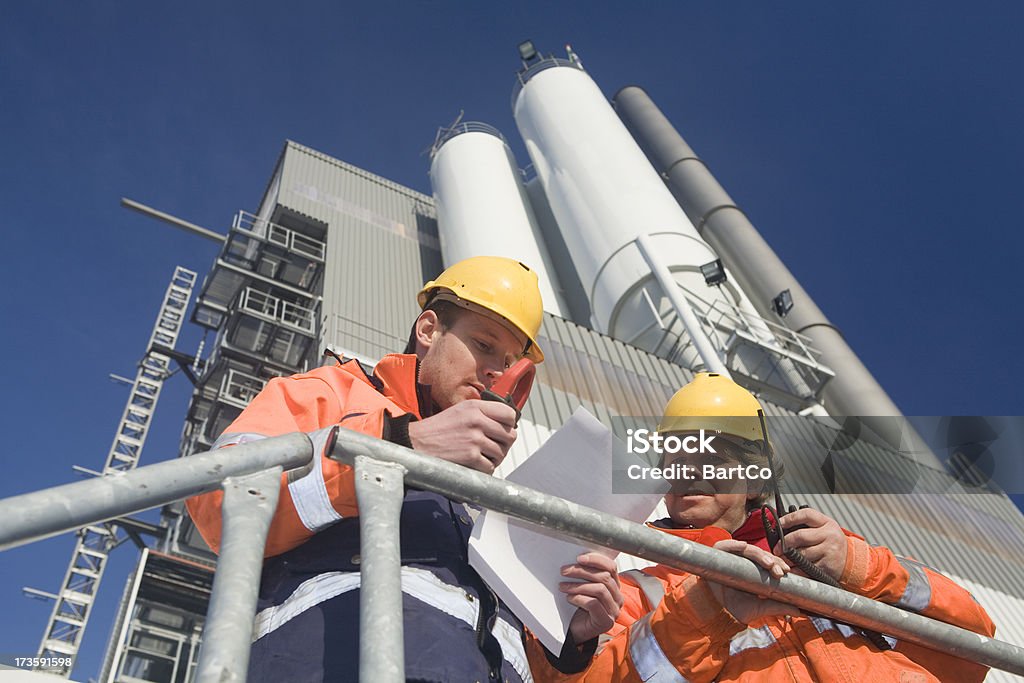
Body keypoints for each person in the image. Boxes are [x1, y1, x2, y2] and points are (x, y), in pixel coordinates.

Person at [186, 256, 621, 682]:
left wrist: (567, 637)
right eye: (484, 345)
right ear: (429, 329)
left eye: (507, 362)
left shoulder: (481, 496)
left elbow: (490, 636)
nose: (494, 371)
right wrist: (403, 446)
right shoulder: (333, 393)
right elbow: (221, 502)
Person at [532, 372, 996, 682]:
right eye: (676, 460)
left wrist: (863, 568)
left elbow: (975, 647)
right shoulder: (634, 593)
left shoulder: (842, 563)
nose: (689, 472)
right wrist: (704, 606)